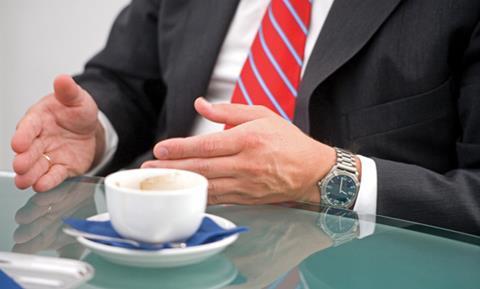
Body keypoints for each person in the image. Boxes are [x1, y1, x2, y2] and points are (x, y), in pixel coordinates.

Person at [10, 0, 480, 235]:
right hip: (155, 242)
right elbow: (128, 80)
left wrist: (328, 176)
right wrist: (98, 130)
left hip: (350, 258)